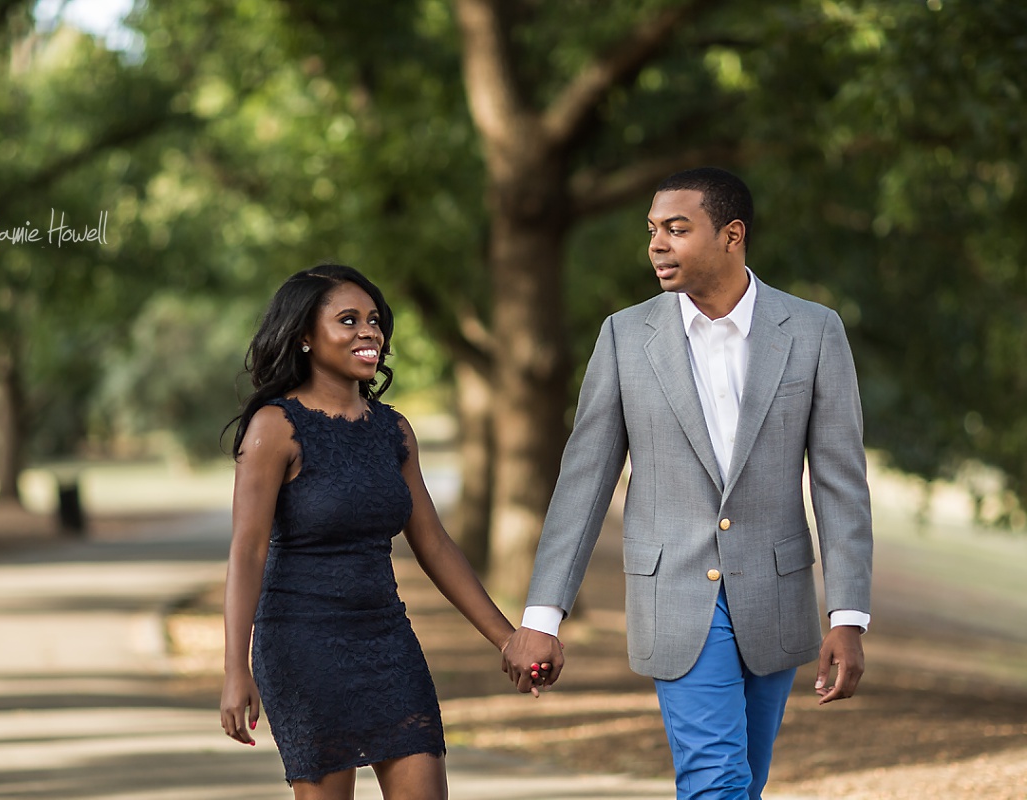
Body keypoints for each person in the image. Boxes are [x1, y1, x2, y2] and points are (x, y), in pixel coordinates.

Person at [500, 167, 874, 799]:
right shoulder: (624, 336)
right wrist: (543, 614)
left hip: (775, 598)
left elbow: (840, 482)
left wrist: (849, 614)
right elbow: (585, 479)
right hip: (674, 596)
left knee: (743, 782)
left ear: (732, 236)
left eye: (677, 229)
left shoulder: (813, 331)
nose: (657, 245)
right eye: (652, 230)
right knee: (716, 780)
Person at [220, 264, 526, 800]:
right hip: (302, 645)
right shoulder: (276, 427)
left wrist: (507, 637)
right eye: (348, 320)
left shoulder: (393, 429)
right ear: (305, 338)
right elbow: (247, 552)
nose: (370, 332)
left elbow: (432, 543)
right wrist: (234, 669)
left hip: (388, 639)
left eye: (375, 320)